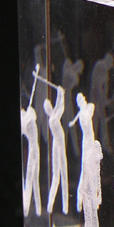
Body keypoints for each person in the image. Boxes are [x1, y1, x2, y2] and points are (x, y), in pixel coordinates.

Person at [44, 85, 69, 214]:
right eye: (49, 106)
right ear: (48, 109)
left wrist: (60, 94)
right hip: (58, 145)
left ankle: (59, 205)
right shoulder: (53, 118)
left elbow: (58, 107)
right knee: (60, 174)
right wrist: (61, 94)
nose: (51, 106)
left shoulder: (52, 116)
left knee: (58, 176)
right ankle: (58, 205)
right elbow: (61, 108)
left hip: (57, 144)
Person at [78, 139, 103, 227]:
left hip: (93, 197)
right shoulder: (88, 163)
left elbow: (98, 180)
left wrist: (99, 196)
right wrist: (91, 197)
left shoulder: (96, 163)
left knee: (95, 224)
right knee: (89, 223)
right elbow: (87, 183)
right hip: (87, 196)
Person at [90, 53, 114, 154]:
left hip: (99, 100)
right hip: (96, 100)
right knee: (95, 122)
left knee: (101, 122)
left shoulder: (105, 69)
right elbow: (97, 86)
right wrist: (101, 101)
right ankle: (93, 146)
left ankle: (104, 145)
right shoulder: (101, 66)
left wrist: (105, 100)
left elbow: (104, 88)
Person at [20, 104, 42, 217]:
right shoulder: (26, 117)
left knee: (31, 180)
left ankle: (28, 208)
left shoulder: (29, 115)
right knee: (33, 180)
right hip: (33, 150)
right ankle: (36, 209)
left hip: (33, 151)